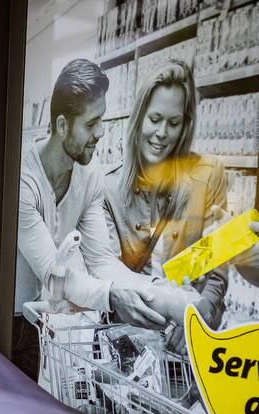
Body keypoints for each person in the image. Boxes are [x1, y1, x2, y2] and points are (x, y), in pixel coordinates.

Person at [14, 59, 165, 376]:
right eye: (91, 122)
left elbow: (101, 260)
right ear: (62, 125)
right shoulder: (23, 180)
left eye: (102, 120)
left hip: (34, 320)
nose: (100, 132)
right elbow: (53, 275)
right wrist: (110, 296)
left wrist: (154, 291)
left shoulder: (89, 175)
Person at [103, 60, 229, 344]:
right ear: (139, 118)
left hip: (189, 348)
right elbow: (108, 270)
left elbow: (216, 271)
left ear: (185, 125)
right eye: (155, 119)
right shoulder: (107, 187)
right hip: (126, 343)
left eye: (173, 123)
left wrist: (200, 318)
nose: (162, 133)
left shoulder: (208, 175)